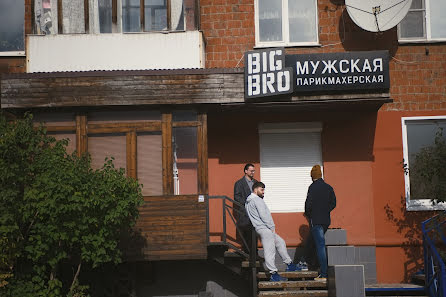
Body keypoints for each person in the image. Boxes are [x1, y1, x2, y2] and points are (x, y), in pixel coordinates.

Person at [245, 181, 300, 281]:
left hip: (260, 228)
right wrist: (271, 226)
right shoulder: (257, 200)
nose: (263, 192)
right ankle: (273, 274)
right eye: (261, 190)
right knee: (270, 251)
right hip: (265, 228)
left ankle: (289, 264)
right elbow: (264, 215)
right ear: (255, 189)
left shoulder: (248, 202)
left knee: (280, 242)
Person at [304, 165, 337, 281]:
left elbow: (308, 205)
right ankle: (312, 264)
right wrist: (325, 210)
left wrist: (310, 215)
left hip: (316, 220)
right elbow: (334, 203)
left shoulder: (312, 188)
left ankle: (324, 274)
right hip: (326, 221)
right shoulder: (328, 187)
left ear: (313, 176)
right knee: (313, 242)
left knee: (320, 245)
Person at [233, 163, 257, 253]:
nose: (253, 172)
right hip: (244, 213)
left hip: (255, 213)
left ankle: (255, 253)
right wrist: (248, 202)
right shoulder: (239, 183)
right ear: (246, 171)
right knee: (247, 234)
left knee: (255, 234)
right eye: (251, 171)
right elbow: (237, 197)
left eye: (253, 171)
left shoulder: (256, 183)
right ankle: (248, 254)